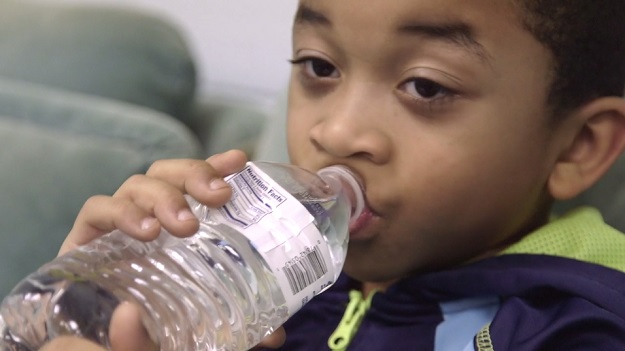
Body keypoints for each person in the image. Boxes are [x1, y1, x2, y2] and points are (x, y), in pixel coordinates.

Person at [41, 0, 625, 350]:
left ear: (577, 146)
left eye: (425, 86)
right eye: (319, 67)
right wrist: (94, 311)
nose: (338, 134)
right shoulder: (266, 291)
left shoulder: (577, 329)